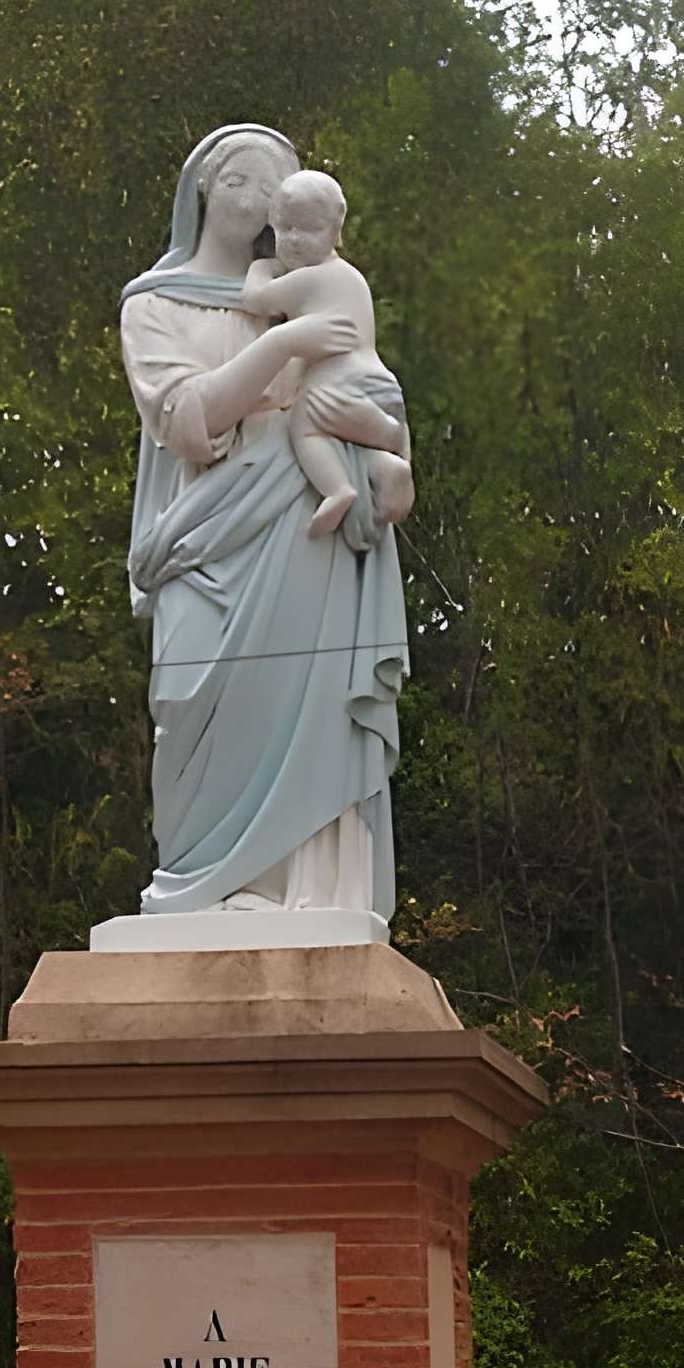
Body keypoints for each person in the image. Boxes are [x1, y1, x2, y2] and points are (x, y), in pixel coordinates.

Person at [119, 124, 413, 919]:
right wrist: (283, 341)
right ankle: (197, 887)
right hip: (203, 534)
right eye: (246, 182)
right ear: (205, 187)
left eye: (278, 191)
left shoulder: (313, 283)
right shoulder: (156, 304)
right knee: (184, 702)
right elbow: (186, 418)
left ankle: (301, 895)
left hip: (297, 518)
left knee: (310, 702)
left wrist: (386, 442)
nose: (261, 204)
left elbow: (358, 384)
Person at [243, 169, 411, 539]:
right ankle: (388, 458)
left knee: (304, 428)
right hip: (383, 389)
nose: (295, 240)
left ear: (336, 231)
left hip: (337, 389)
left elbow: (255, 300)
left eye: (309, 229)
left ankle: (338, 489)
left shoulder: (309, 279)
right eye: (284, 229)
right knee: (354, 445)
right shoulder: (352, 278)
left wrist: (261, 267)